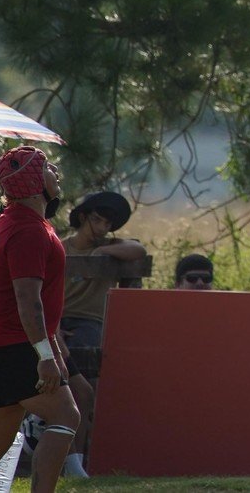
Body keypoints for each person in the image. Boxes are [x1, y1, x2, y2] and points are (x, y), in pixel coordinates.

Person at [0, 147, 81, 493]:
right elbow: (28, 302)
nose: (55, 172)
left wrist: (52, 347)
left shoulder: (15, 221)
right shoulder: (28, 232)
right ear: (36, 184)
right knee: (66, 417)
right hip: (13, 344)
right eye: (47, 168)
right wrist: (46, 357)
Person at [59, 189, 144, 478]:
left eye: (108, 224)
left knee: (83, 387)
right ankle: (69, 460)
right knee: (71, 389)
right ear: (83, 217)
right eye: (97, 220)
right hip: (57, 321)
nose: (102, 228)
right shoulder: (61, 247)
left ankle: (77, 459)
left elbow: (138, 251)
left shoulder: (111, 249)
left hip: (90, 322)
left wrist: (102, 251)